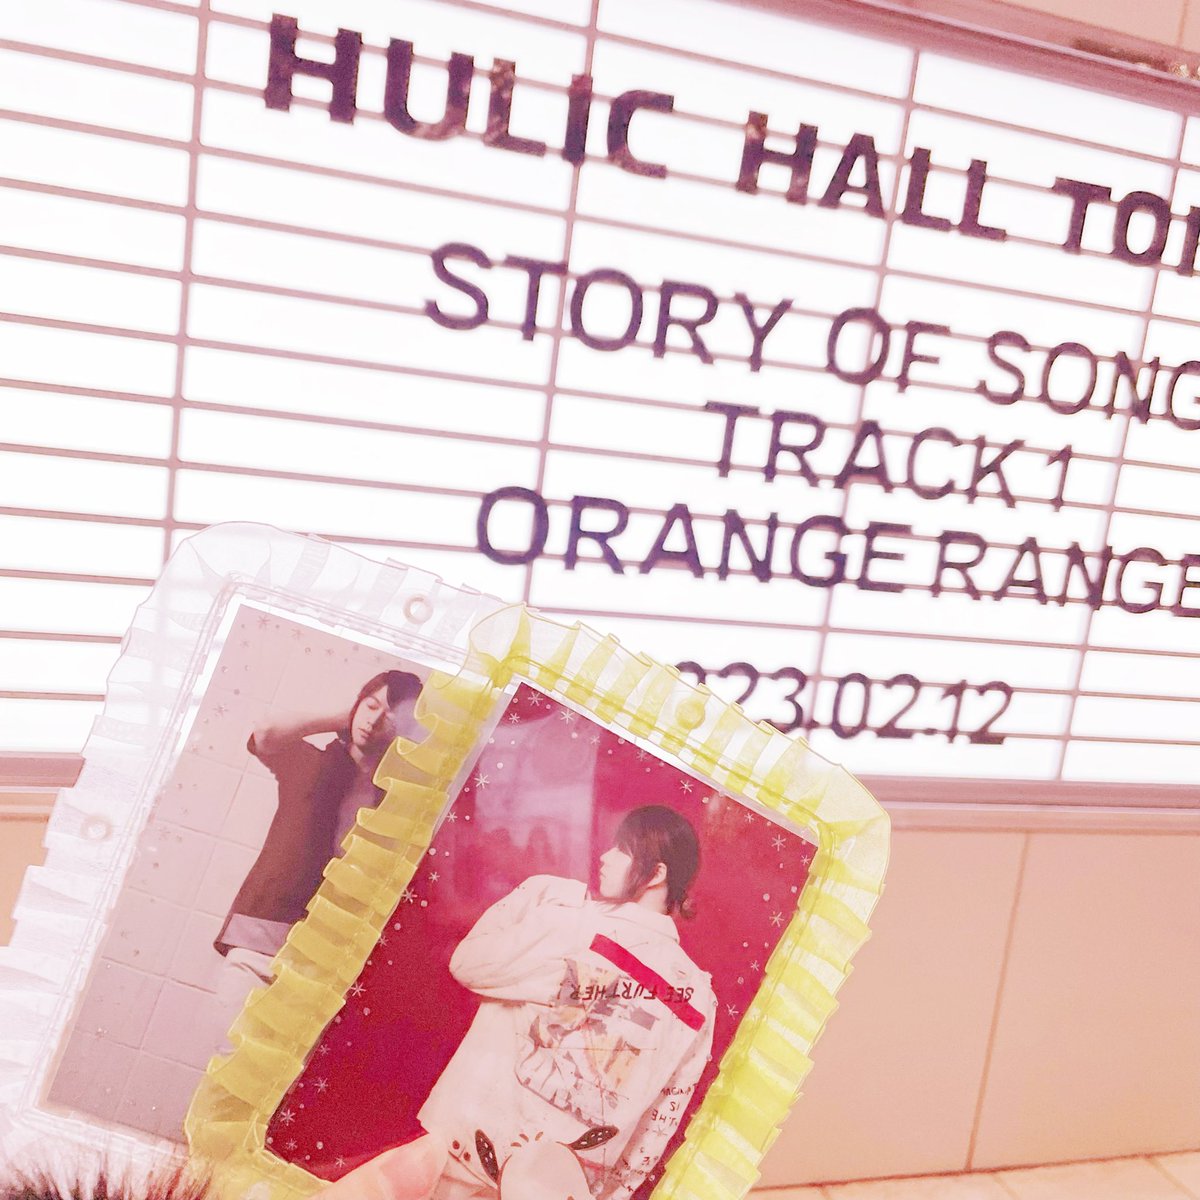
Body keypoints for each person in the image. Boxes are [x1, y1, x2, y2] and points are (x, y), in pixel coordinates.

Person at [419, 805, 716, 1200]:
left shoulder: (576, 923)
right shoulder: (700, 998)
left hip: (469, 1154)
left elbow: (469, 962)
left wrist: (538, 890)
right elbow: (659, 1122)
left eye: (622, 849)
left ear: (656, 873)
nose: (605, 857)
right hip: (566, 1184)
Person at [213, 670, 424, 1000]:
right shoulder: (310, 763)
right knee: (229, 1033)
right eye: (371, 706)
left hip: (323, 958)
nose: (373, 721)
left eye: (389, 717)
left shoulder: (394, 800)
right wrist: (347, 716)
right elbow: (265, 732)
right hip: (259, 941)